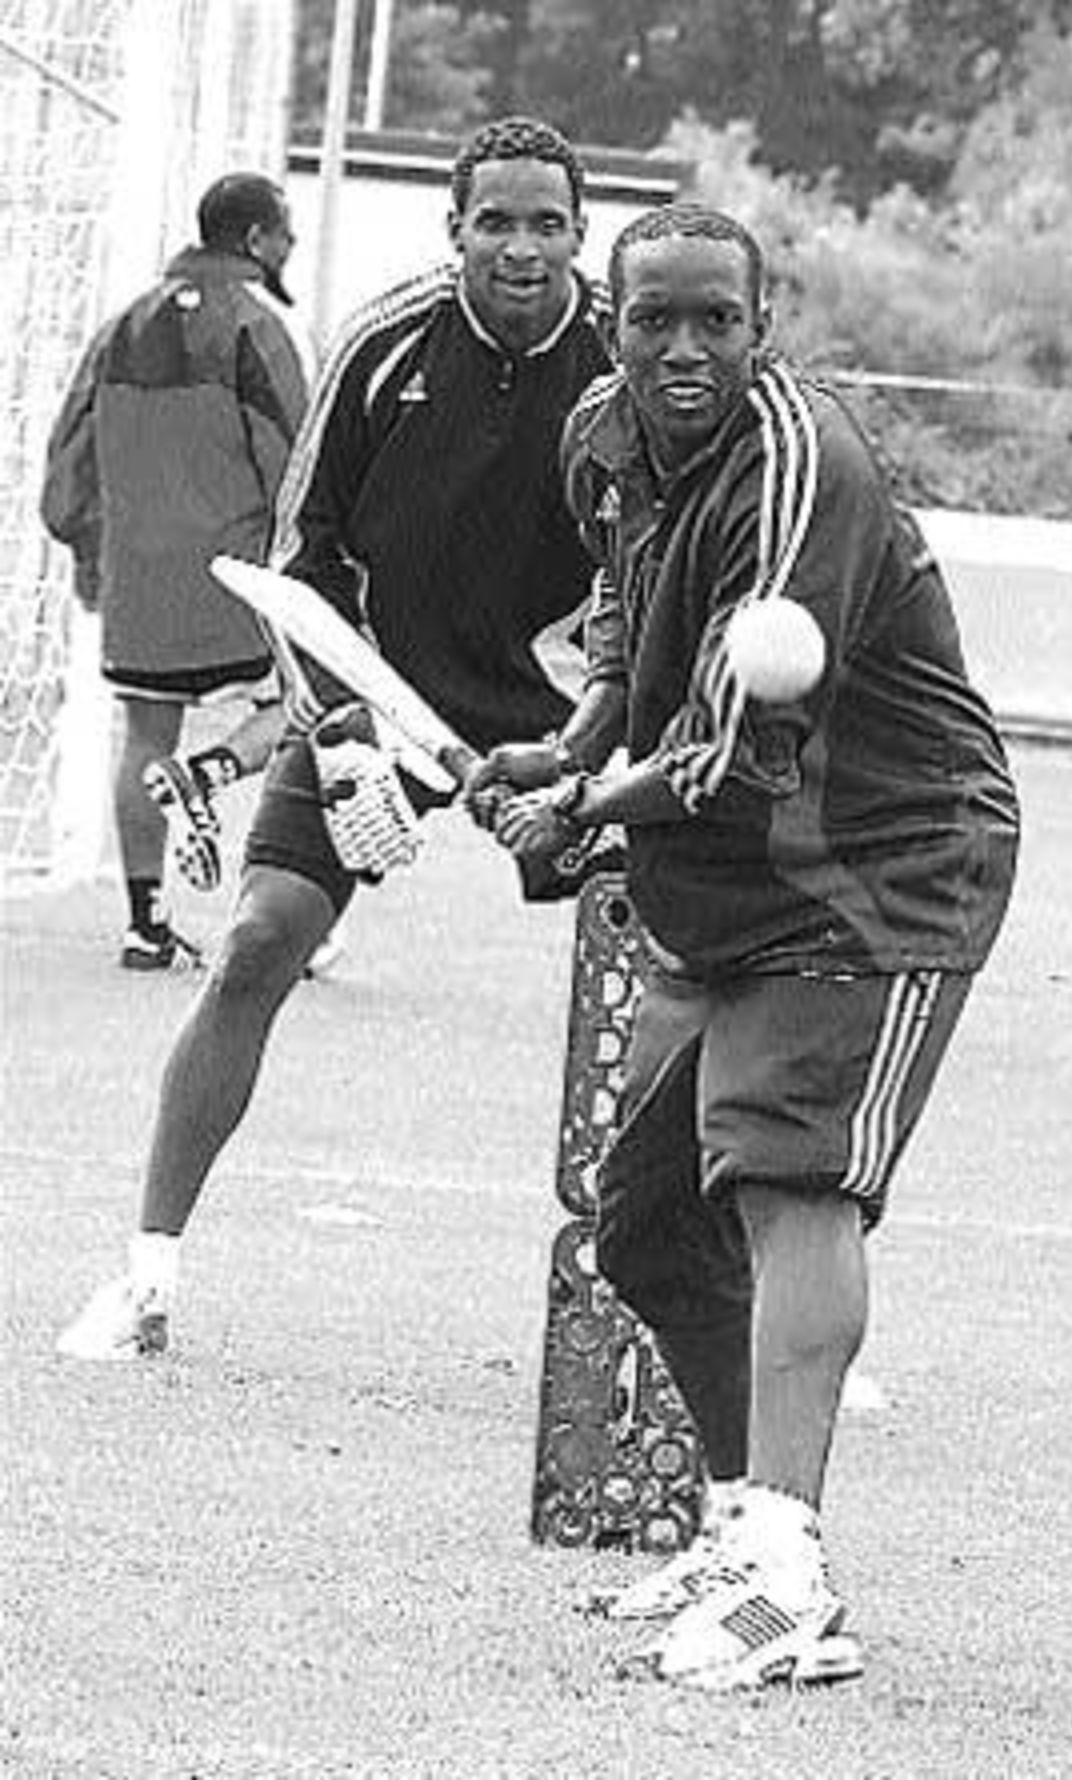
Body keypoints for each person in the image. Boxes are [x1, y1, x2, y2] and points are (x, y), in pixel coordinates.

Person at [468, 203, 1021, 1692]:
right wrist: (569, 741)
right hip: (726, 885)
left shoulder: (795, 467)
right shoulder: (602, 437)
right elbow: (621, 618)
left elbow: (723, 741)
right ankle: (732, 1524)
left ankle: (790, 1578)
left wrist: (580, 809)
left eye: (719, 319)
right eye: (656, 320)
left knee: (789, 1177)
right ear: (613, 323)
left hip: (881, 869)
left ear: (762, 328)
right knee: (643, 1214)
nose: (687, 348)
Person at [55, 116, 613, 1360]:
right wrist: (349, 734)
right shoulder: (382, 346)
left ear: (581, 235)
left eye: (547, 225)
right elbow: (301, 562)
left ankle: (749, 1314)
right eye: (496, 222)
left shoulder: (628, 359)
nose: (521, 249)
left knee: (688, 971)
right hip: (386, 699)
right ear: (454, 228)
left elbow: (662, 577)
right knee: (258, 941)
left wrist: (588, 748)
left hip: (566, 718)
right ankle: (145, 1277)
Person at [41, 172, 311, 968]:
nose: (290, 244)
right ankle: (220, 793)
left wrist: (89, 544)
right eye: (284, 230)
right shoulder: (253, 329)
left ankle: (145, 924)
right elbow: (295, 460)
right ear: (258, 239)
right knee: (308, 713)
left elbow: (67, 458)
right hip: (237, 578)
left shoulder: (119, 328)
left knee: (143, 735)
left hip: (140, 580)